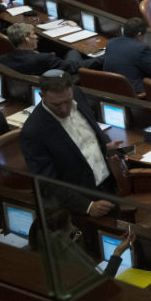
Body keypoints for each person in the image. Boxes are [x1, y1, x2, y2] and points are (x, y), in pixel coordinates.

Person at [20, 70, 127, 216]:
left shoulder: (75, 93)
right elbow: (47, 184)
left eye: (68, 102)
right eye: (56, 104)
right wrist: (87, 206)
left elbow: (91, 132)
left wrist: (105, 147)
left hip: (107, 184)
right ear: (41, 96)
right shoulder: (33, 132)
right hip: (79, 203)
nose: (64, 109)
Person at [29, 203, 134, 278]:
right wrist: (117, 253)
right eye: (69, 223)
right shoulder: (68, 258)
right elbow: (103, 283)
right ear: (59, 233)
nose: (73, 227)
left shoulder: (39, 242)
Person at [0, 22, 99, 76]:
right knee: (74, 52)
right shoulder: (43, 59)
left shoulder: (3, 59)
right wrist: (101, 59)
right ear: (26, 38)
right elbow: (73, 67)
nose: (36, 37)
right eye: (34, 34)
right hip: (60, 82)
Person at [102, 17, 151, 94]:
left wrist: (147, 57)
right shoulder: (141, 49)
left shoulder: (111, 42)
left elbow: (128, 57)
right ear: (139, 34)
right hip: (132, 91)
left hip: (110, 87)